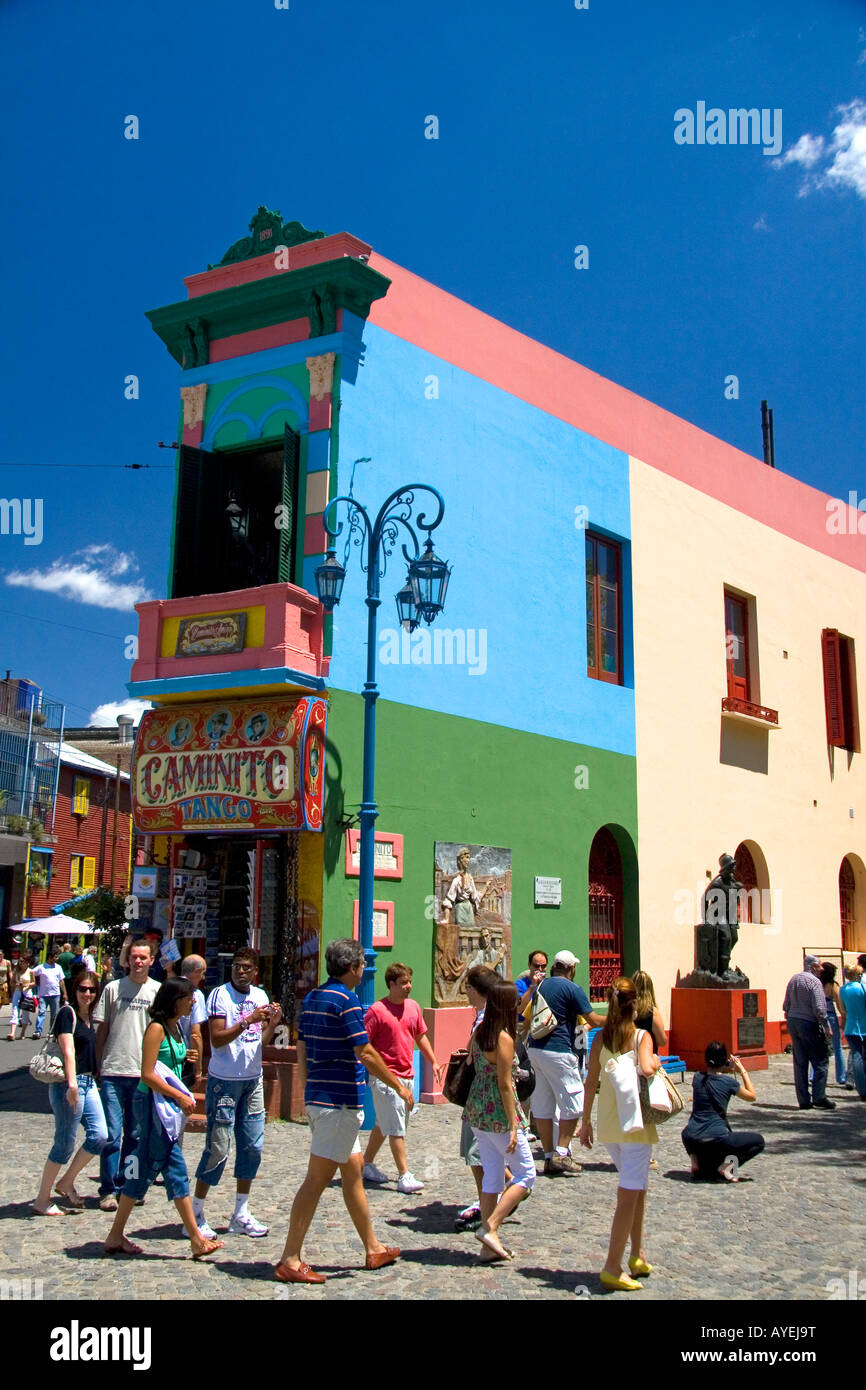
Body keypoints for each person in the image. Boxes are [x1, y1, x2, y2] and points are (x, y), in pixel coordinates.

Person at [275, 938, 414, 1284]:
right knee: (316, 1180)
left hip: (323, 1099)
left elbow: (303, 1046)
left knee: (353, 1175)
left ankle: (373, 1247)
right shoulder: (347, 1000)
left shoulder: (312, 998)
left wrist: (307, 1088)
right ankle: (290, 1258)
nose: (364, 971)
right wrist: (397, 1085)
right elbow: (364, 1051)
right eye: (362, 966)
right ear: (353, 968)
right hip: (337, 1103)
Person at [102, 977, 223, 1259]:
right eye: (188, 997)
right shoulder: (156, 1028)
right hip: (153, 1104)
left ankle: (115, 1234)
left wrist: (187, 1057)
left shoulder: (176, 1028)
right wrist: (179, 1097)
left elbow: (169, 1064)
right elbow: (147, 1073)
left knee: (142, 1172)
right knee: (175, 1167)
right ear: (174, 1000)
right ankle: (196, 1238)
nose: (193, 1002)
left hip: (165, 1105)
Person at [193, 947, 282, 1240]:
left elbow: (261, 1040)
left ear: (255, 971)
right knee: (218, 1146)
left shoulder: (260, 996)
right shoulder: (219, 995)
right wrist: (247, 1020)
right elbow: (217, 1040)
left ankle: (241, 1212)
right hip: (224, 1081)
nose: (241, 972)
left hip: (252, 1080)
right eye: (237, 967)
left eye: (246, 967)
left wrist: (271, 1023)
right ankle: (196, 1211)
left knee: (252, 1145)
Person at [579, 976, 660, 1292]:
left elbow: (590, 1082)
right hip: (636, 1125)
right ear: (635, 1004)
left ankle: (637, 1254)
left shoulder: (600, 1038)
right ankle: (612, 1265)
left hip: (610, 1127)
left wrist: (585, 1121)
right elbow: (649, 1068)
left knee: (637, 1187)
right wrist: (651, 1058)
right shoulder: (641, 1037)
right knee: (628, 1194)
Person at [461, 978, 535, 1262]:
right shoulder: (503, 1037)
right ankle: (489, 1228)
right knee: (526, 1174)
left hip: (477, 1109)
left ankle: (487, 1247)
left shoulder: (480, 1032)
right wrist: (515, 1124)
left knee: (492, 1176)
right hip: (497, 1112)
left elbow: (469, 1059)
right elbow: (505, 1084)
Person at [361, 962, 443, 1192]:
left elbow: (421, 1036)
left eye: (409, 981)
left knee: (384, 1123)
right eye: (403, 982)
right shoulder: (377, 1011)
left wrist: (434, 1061)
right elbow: (364, 1045)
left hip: (407, 1074)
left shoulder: (414, 1007)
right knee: (397, 1128)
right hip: (386, 1078)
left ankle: (366, 1164)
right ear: (391, 984)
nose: (409, 986)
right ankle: (404, 1175)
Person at [31, 969, 108, 1214]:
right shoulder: (68, 1013)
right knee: (64, 1143)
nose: (87, 993)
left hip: (88, 1083)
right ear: (74, 990)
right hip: (68, 1083)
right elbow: (68, 1052)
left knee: (100, 1135)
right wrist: (72, 1085)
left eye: (92, 990)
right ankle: (42, 1199)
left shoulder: (89, 1017)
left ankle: (66, 1182)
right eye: (82, 989)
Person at [93, 939, 160, 1211]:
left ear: (151, 961)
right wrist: (98, 1064)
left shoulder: (157, 991)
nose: (138, 961)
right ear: (127, 960)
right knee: (111, 1134)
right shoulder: (112, 989)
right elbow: (102, 1029)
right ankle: (108, 1188)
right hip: (112, 1069)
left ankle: (128, 1188)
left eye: (143, 957)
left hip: (141, 1072)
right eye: (134, 957)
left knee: (135, 1134)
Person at [525, 949, 604, 1175]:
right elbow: (592, 1019)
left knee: (542, 1103)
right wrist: (618, 1019)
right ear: (571, 968)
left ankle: (549, 1156)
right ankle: (562, 1152)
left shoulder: (542, 985)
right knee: (573, 1101)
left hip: (536, 1050)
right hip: (559, 1051)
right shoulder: (572, 988)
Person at [681, 1041, 764, 1181]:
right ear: (724, 1060)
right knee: (758, 1141)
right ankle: (727, 1167)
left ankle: (694, 1160)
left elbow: (711, 1074)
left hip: (690, 1137)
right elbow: (752, 1096)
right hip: (716, 1137)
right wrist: (741, 1070)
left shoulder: (697, 1078)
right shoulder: (728, 1082)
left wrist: (723, 1066)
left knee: (693, 1137)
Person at [456, 965, 500, 1229]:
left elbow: (473, 1054)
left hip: (482, 1095)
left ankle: (488, 1211)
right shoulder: (490, 1016)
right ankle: (491, 1201)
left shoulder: (484, 1021)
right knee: (486, 1153)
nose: (466, 993)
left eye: (468, 988)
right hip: (485, 1094)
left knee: (478, 1154)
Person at [783, 955, 835, 1110]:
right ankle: (819, 1096)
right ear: (813, 967)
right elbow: (819, 1008)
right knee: (820, 1060)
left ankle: (804, 1100)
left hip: (793, 1020)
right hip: (809, 1022)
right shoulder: (814, 982)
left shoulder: (794, 979)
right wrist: (826, 1026)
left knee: (800, 1062)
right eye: (819, 966)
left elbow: (786, 1004)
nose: (822, 968)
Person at [632, 970, 667, 1168]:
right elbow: (662, 1039)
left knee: (633, 1107)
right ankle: (646, 1155)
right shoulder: (651, 1012)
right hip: (647, 1064)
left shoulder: (628, 1010)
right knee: (647, 1112)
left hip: (629, 1061)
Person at [176, 955, 207, 1091]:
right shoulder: (196, 995)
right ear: (195, 971)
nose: (203, 977)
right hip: (184, 1057)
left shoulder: (167, 987)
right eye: (202, 973)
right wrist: (198, 1069)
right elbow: (195, 1035)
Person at [840, 964, 866, 1099]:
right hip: (864, 1025)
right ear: (857, 975)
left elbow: (843, 1009)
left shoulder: (843, 990)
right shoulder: (862, 988)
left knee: (856, 1056)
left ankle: (862, 1089)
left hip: (851, 1026)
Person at [819, 962, 847, 1086]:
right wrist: (844, 1017)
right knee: (838, 1047)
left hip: (819, 1017)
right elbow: (839, 1005)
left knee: (818, 1048)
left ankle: (814, 1075)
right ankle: (841, 1076)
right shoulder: (833, 985)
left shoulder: (817, 984)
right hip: (831, 1016)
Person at [34, 949, 67, 1038]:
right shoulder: (41, 967)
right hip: (43, 994)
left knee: (54, 1014)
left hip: (55, 994)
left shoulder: (58, 967)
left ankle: (52, 1031)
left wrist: (64, 993)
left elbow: (61, 981)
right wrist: (34, 983)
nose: (57, 959)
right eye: (55, 957)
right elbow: (31, 973)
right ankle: (38, 1031)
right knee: (41, 1012)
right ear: (50, 957)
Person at [7, 953, 36, 1040]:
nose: (20, 963)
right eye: (19, 961)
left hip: (26, 992)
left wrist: (27, 985)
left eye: (22, 961)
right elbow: (11, 983)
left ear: (27, 962)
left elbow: (34, 983)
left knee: (25, 1012)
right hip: (18, 992)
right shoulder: (17, 972)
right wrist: (16, 984)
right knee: (15, 1010)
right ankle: (12, 1033)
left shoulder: (30, 971)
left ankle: (22, 1032)